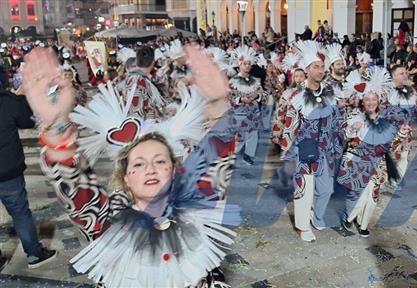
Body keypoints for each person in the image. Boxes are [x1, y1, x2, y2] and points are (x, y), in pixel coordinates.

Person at [21, 45, 240, 287]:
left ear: (175, 169)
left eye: (160, 161)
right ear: (124, 178)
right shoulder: (108, 222)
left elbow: (219, 158)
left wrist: (218, 103)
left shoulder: (196, 207)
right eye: (139, 163)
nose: (150, 169)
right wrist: (56, 123)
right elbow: (74, 185)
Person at [280, 41, 343, 242]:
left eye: (323, 66)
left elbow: (336, 120)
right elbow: (289, 127)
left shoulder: (329, 92)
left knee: (326, 189)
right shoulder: (296, 95)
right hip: (303, 149)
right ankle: (302, 227)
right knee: (304, 190)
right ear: (307, 69)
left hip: (325, 150)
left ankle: (316, 217)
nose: (320, 70)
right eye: (316, 66)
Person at [0, 71, 57, 270]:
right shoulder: (7, 101)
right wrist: (20, 96)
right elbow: (28, 120)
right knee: (20, 212)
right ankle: (34, 254)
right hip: (7, 170)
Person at [339, 91, 409, 237]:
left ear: (378, 101)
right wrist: (353, 129)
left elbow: (390, 144)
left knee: (373, 194)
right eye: (367, 99)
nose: (371, 102)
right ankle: (350, 218)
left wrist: (402, 133)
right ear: (362, 101)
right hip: (358, 160)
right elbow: (344, 135)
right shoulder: (354, 115)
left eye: (373, 99)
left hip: (378, 162)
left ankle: (362, 223)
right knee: (364, 191)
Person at [229, 45, 266, 166]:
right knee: (239, 137)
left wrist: (257, 97)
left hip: (253, 112)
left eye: (249, 64)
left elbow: (262, 94)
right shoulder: (233, 81)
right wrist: (241, 99)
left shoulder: (256, 81)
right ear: (239, 64)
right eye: (245, 64)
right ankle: (231, 157)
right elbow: (229, 97)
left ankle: (248, 155)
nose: (247, 66)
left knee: (253, 135)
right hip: (239, 113)